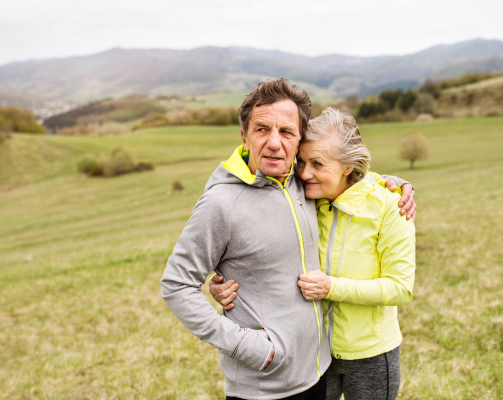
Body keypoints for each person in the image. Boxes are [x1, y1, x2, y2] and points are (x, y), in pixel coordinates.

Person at [161, 78, 415, 400]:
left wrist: (397, 182)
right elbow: (175, 285)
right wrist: (246, 345)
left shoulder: (302, 182)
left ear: (298, 142)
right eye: (262, 129)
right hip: (266, 385)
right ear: (244, 136)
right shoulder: (221, 204)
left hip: (318, 371)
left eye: (286, 132)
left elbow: (343, 174)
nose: (274, 143)